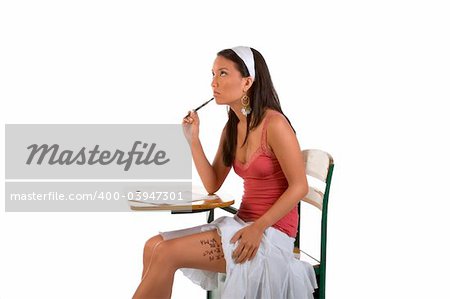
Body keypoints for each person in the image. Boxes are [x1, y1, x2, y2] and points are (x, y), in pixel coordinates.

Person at [132, 46, 318, 299]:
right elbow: (212, 184)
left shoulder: (275, 124)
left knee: (166, 253)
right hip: (242, 224)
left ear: (247, 82)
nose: (213, 83)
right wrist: (193, 140)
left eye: (222, 74)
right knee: (153, 246)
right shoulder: (231, 128)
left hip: (270, 235)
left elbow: (299, 187)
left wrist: (258, 228)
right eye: (212, 74)